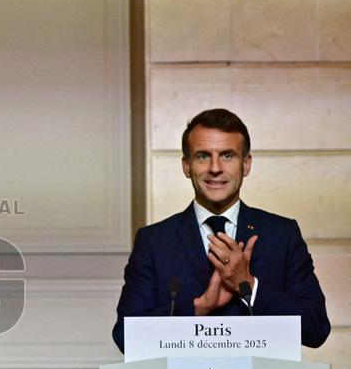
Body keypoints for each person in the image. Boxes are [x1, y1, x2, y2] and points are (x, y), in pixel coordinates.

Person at [113, 108, 330, 352]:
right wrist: (198, 307)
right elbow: (125, 335)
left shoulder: (282, 234)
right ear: (186, 166)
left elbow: (317, 328)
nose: (215, 168)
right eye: (203, 156)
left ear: (246, 164)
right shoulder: (154, 241)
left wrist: (249, 284)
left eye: (227, 155)